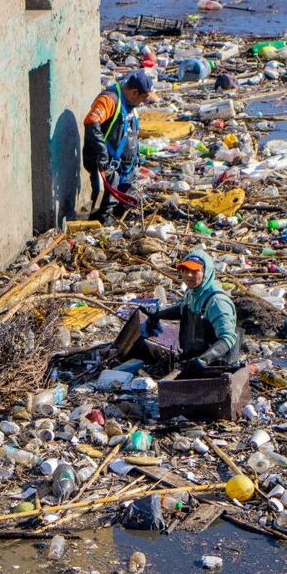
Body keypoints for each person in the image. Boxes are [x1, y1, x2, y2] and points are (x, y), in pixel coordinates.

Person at [137, 250, 240, 373]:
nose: (189, 275)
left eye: (195, 271)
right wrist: (158, 314)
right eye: (185, 270)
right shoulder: (192, 292)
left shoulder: (217, 302)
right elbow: (183, 309)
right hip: (192, 360)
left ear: (206, 273)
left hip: (216, 367)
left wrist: (204, 360)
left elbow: (228, 338)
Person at [82, 69, 156, 221]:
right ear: (134, 92)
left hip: (125, 168)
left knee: (127, 203)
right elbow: (91, 121)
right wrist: (101, 153)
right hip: (109, 165)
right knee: (105, 205)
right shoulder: (109, 100)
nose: (143, 102)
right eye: (143, 97)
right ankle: (100, 226)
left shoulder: (130, 105)